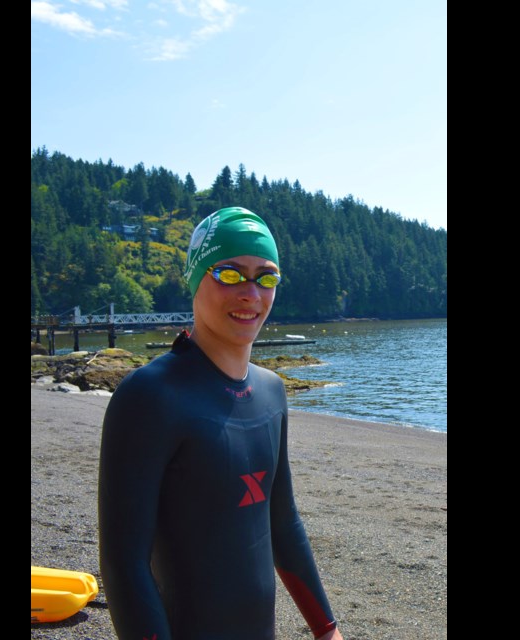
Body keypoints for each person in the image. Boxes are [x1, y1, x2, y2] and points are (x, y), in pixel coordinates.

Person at [98, 207, 343, 640]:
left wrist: (326, 629)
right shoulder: (150, 396)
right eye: (230, 274)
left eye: (266, 277)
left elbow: (283, 523)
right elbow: (123, 564)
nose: (251, 292)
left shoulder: (272, 391)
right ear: (195, 278)